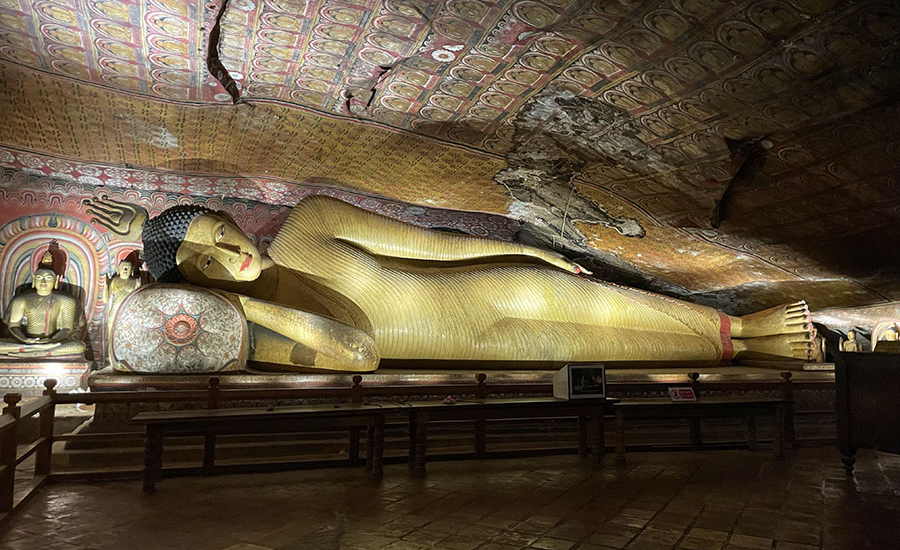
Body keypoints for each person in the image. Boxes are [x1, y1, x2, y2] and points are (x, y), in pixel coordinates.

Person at [85, 196, 816, 371]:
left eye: (223, 234)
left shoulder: (307, 224)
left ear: (233, 219)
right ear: (198, 286)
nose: (231, 256)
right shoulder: (263, 332)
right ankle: (743, 345)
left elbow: (431, 244)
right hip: (479, 343)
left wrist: (533, 254)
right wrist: (227, 304)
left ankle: (748, 326)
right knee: (618, 350)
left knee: (608, 304)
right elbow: (358, 353)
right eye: (209, 265)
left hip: (487, 291)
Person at [0, 267, 85, 357]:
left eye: (48, 278)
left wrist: (52, 340)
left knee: (79, 346)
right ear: (34, 279)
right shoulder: (20, 300)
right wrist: (25, 340)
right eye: (39, 278)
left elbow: (67, 328)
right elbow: (13, 326)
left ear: (56, 280)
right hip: (26, 342)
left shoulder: (66, 300)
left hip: (53, 342)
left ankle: (38, 352)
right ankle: (36, 350)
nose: (43, 282)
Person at [102, 258, 142, 360]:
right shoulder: (114, 281)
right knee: (111, 329)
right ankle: (111, 352)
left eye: (128, 268)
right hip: (116, 307)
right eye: (123, 267)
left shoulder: (134, 281)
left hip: (129, 309)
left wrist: (139, 284)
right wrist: (105, 286)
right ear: (118, 270)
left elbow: (139, 299)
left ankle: (128, 353)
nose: (125, 270)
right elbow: (105, 300)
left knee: (130, 331)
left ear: (131, 270)